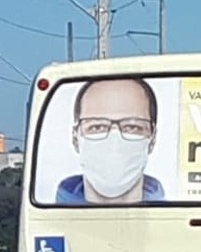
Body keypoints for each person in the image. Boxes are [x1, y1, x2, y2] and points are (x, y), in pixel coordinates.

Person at [56, 76, 164, 205]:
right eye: (97, 127)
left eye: (132, 127)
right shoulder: (46, 220)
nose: (115, 144)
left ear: (152, 139)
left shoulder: (173, 221)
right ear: (75, 138)